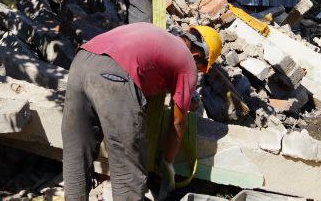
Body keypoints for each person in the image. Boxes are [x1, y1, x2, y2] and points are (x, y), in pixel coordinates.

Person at [62, 23, 222, 201]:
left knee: (76, 155)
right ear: (197, 55)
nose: (197, 73)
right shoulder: (187, 62)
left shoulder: (158, 36)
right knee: (128, 169)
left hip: (81, 62)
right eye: (200, 68)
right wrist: (167, 162)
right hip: (113, 75)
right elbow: (177, 123)